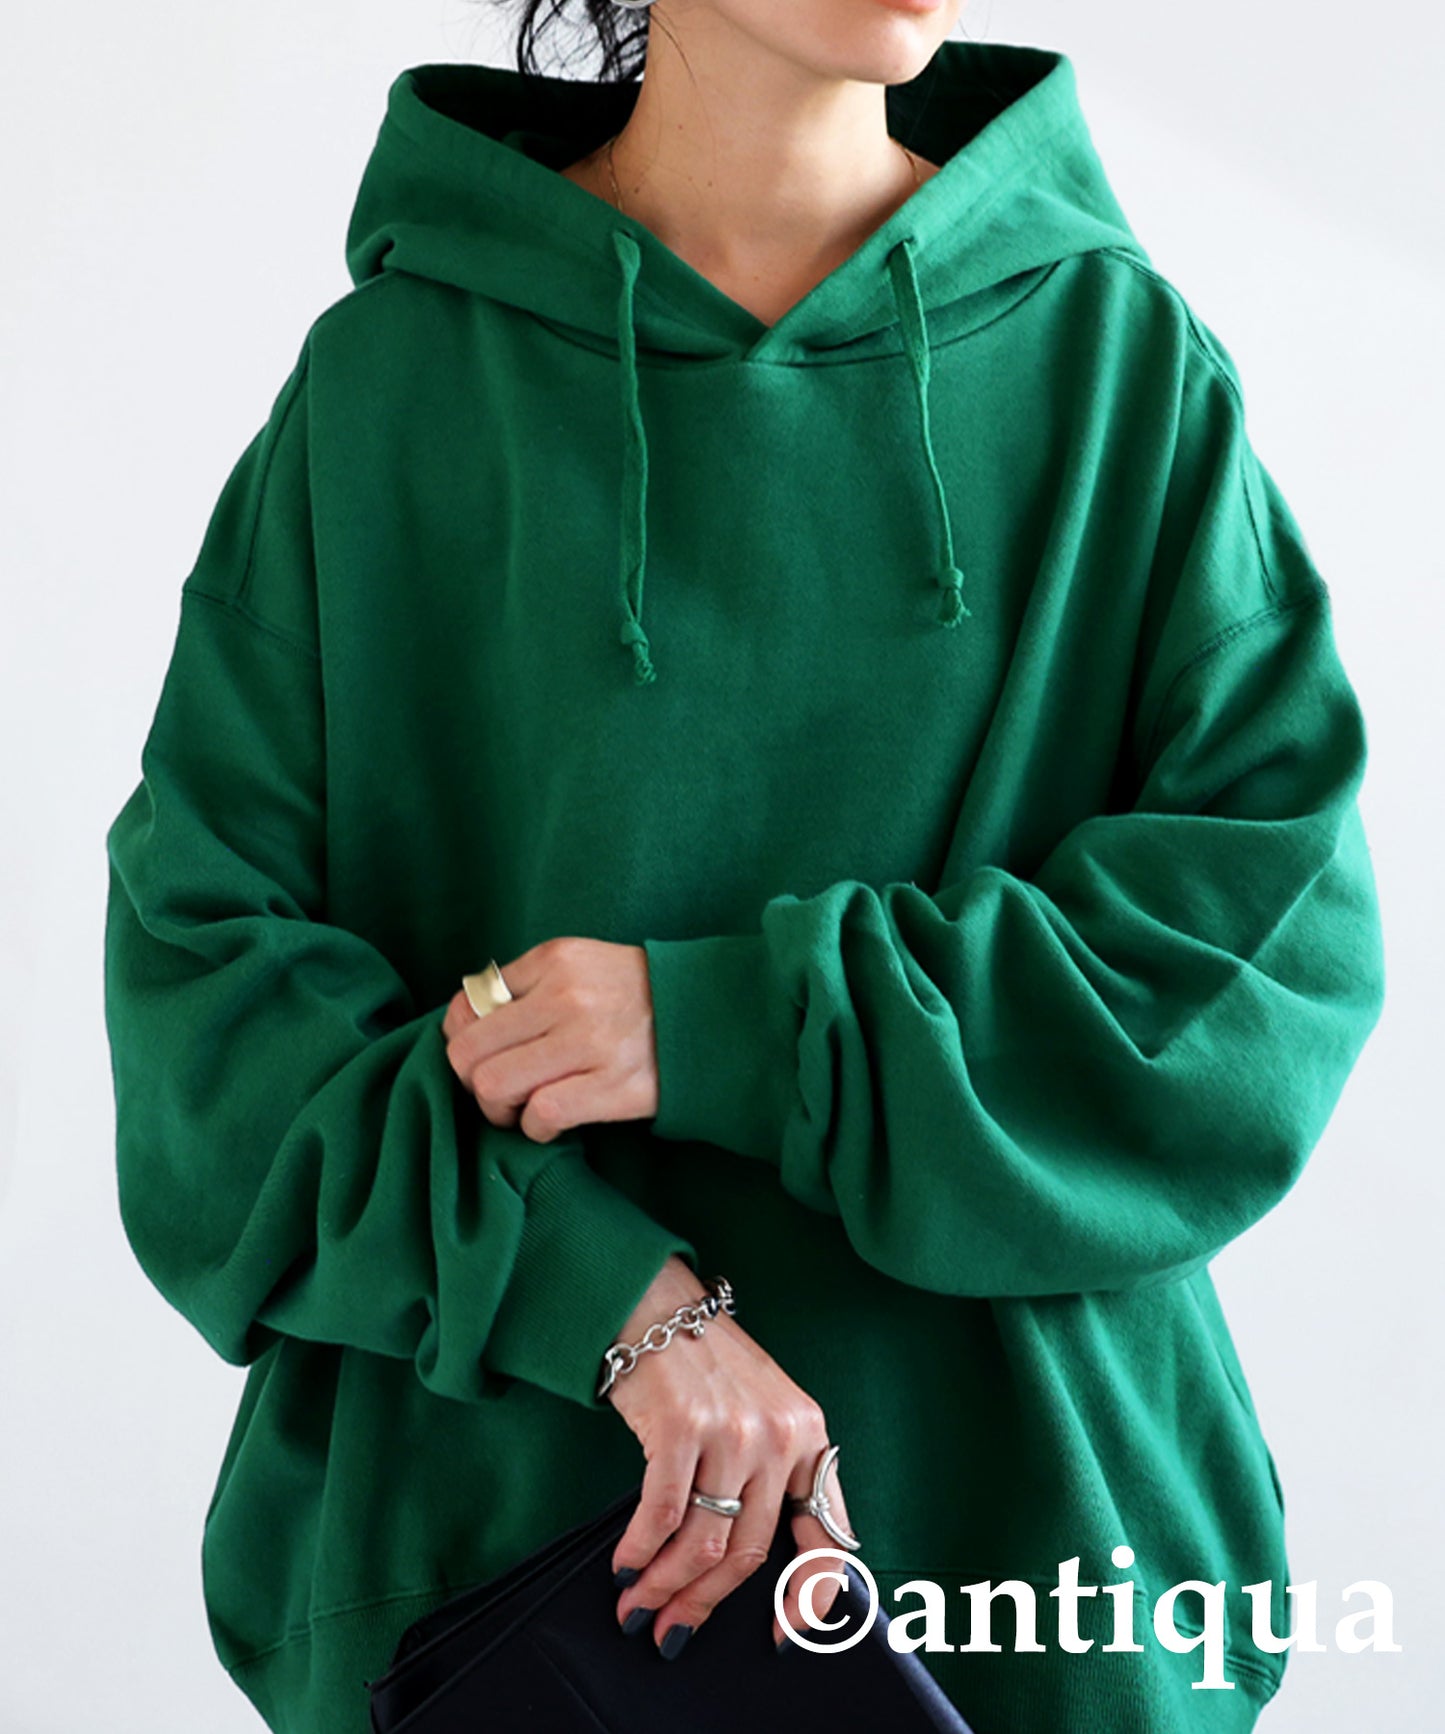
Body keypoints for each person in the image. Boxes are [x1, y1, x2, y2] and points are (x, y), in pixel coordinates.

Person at [101, 1, 1387, 1730]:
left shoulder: (1115, 365)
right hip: (510, 1576)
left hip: (1032, 1566)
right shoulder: (387, 393)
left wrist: (724, 1025)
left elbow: (1258, 959)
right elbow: (208, 1013)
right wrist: (606, 1298)